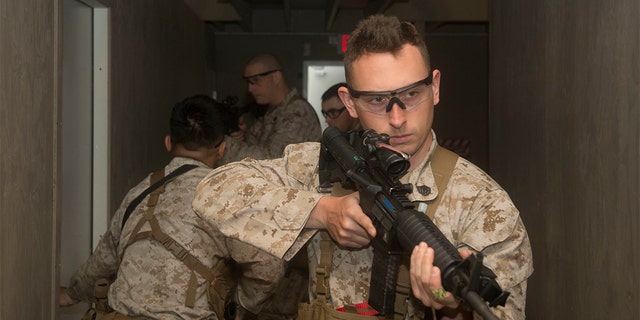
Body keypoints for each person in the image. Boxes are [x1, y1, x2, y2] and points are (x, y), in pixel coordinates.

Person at [193, 15, 533, 320]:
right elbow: (211, 192)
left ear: (436, 87)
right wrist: (321, 210)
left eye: (412, 94)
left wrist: (450, 309)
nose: (397, 119)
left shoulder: (485, 204)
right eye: (377, 100)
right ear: (348, 102)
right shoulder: (318, 167)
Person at [60, 95, 285, 320]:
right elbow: (268, 269)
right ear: (222, 149)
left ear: (168, 143)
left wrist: (71, 295)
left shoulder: (139, 193)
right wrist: (238, 308)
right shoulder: (228, 197)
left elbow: (104, 258)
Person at [219, 52, 322, 165]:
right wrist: (239, 137)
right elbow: (254, 146)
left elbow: (274, 160)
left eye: (256, 81)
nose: (250, 88)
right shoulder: (269, 111)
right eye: (249, 82)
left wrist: (223, 144)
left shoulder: (297, 112)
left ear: (276, 77)